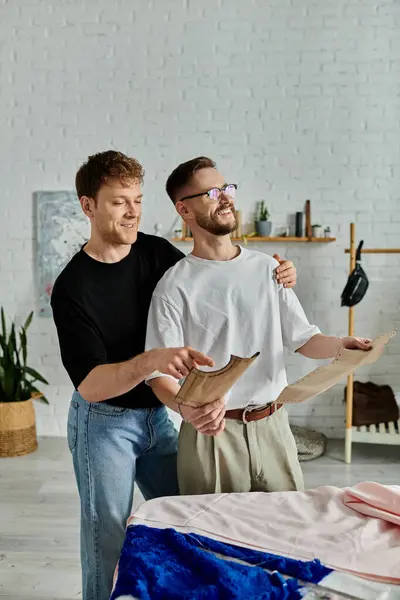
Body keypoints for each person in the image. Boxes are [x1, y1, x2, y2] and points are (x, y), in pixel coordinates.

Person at [50, 150, 298, 600]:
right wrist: (151, 362)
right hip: (103, 424)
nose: (133, 211)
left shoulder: (155, 252)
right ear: (88, 206)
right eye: (118, 202)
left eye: (138, 200)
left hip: (159, 418)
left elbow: (210, 276)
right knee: (107, 536)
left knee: (190, 517)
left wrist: (276, 274)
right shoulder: (73, 288)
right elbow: (90, 384)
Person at [145, 156, 372, 496]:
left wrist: (342, 344)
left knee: (287, 533)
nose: (226, 198)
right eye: (211, 192)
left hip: (274, 427)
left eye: (227, 188)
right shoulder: (174, 286)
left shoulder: (269, 269)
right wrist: (187, 412)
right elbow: (158, 375)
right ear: (185, 210)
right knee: (216, 540)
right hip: (211, 436)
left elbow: (304, 339)